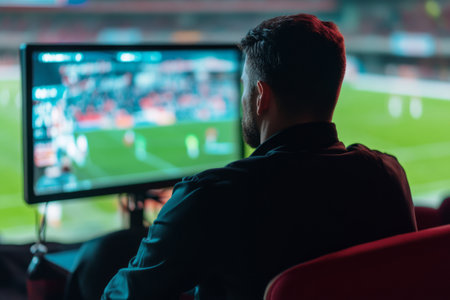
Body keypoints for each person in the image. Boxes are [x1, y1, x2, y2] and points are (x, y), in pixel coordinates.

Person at [102, 13, 417, 300]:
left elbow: (123, 295)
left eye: (244, 87)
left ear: (261, 96)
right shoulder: (388, 175)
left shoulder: (212, 197)